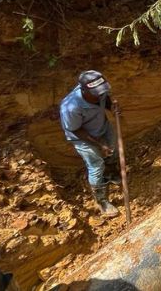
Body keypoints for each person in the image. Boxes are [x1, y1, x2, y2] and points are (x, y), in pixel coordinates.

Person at [59, 70, 121, 217]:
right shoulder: (71, 107)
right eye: (96, 93)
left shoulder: (98, 90)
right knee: (96, 165)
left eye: (102, 91)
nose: (100, 94)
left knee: (113, 150)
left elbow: (105, 98)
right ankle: (102, 201)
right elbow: (75, 130)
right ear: (84, 90)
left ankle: (111, 174)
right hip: (82, 138)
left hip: (102, 126)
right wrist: (100, 145)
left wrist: (111, 107)